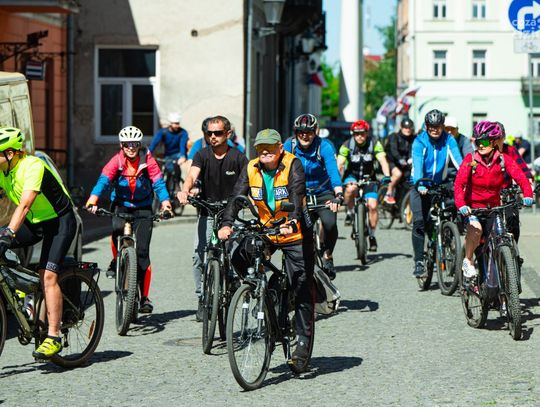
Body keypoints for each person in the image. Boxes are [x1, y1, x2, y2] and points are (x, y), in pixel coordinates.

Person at [217, 128, 314, 366]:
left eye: (270, 147)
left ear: (280, 148)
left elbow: (297, 193)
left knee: (301, 285)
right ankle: (263, 291)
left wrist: (292, 221)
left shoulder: (293, 164)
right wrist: (227, 223)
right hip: (267, 229)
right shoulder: (251, 167)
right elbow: (237, 197)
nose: (265, 152)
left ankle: (302, 344)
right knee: (240, 254)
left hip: (294, 231)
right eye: (261, 148)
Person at [0, 127, 76, 359]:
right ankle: (22, 291)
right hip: (35, 223)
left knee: (48, 276)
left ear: (10, 153)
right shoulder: (4, 171)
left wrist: (9, 233)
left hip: (59, 222)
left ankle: (53, 336)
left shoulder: (33, 166)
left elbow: (24, 205)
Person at [86, 126, 172, 314]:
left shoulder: (147, 160)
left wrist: (166, 204)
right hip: (121, 204)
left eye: (134, 144)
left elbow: (158, 182)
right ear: (121, 145)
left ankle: (144, 297)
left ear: (139, 144)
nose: (131, 148)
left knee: (142, 253)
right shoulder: (116, 161)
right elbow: (103, 180)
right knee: (117, 231)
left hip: (143, 206)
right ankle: (117, 259)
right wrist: (93, 199)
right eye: (127, 144)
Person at [178, 115, 248, 321]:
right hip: (207, 210)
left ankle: (233, 281)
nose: (213, 137)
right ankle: (202, 297)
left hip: (232, 212)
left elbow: (249, 181)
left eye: (218, 133)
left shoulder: (238, 157)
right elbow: (192, 175)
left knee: (235, 251)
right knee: (198, 254)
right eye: (209, 133)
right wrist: (185, 190)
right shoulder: (202, 154)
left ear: (228, 134)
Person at [454, 121, 533, 280]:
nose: (480, 145)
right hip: (472, 208)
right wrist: (461, 205)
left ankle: (501, 269)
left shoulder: (504, 159)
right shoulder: (470, 159)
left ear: (493, 142)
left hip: (494, 207)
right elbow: (459, 184)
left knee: (499, 234)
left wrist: (528, 195)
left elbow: (522, 179)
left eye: (484, 142)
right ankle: (468, 260)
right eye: (477, 142)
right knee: (476, 229)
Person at [283, 113, 343, 279]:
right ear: (295, 132)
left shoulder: (324, 146)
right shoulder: (290, 145)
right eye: (301, 132)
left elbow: (333, 172)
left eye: (309, 132)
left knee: (330, 224)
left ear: (315, 131)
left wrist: (338, 194)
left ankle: (328, 255)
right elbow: (282, 171)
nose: (305, 136)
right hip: (299, 193)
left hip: (323, 192)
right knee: (303, 231)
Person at [410, 109, 463, 278]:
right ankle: (419, 261)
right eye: (431, 126)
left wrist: (466, 178)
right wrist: (420, 183)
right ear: (426, 126)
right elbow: (418, 164)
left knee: (448, 212)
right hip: (419, 185)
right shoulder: (419, 141)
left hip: (439, 184)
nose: (435, 130)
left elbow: (459, 161)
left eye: (438, 126)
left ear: (443, 126)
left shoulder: (449, 139)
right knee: (419, 222)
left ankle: (446, 240)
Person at [337, 119, 391, 252]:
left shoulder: (374, 143)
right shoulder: (347, 145)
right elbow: (339, 163)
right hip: (352, 176)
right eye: (356, 134)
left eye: (362, 133)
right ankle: (350, 213)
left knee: (372, 206)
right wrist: (336, 179)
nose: (359, 136)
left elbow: (382, 160)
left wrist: (387, 175)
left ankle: (372, 235)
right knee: (351, 189)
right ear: (353, 134)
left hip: (369, 177)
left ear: (367, 133)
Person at [384, 117, 416, 204]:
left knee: (410, 177)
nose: (407, 130)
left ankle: (402, 201)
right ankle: (388, 193)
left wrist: (411, 159)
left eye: (409, 128)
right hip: (391, 161)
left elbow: (412, 150)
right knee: (398, 174)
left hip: (405, 163)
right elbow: (393, 150)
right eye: (405, 127)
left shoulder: (413, 138)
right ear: (401, 128)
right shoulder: (394, 136)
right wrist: (400, 159)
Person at [148, 112, 189, 177]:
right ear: (170, 123)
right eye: (175, 123)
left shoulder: (183, 132)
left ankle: (178, 181)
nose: (177, 125)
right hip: (167, 155)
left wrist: (183, 156)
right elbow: (154, 144)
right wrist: (148, 153)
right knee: (168, 170)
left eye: (178, 123)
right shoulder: (163, 132)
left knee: (180, 169)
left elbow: (182, 145)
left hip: (178, 154)